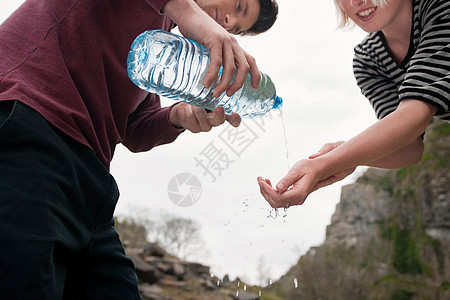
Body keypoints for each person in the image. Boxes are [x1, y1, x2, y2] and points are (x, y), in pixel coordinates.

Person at [0, 0, 278, 298]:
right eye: (238, 5)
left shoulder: (161, 41)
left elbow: (135, 128)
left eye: (235, 26)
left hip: (90, 179)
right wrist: (189, 14)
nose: (227, 21)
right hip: (30, 128)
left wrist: (178, 116)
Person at [258, 0, 450, 209]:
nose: (356, 2)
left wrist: (325, 164)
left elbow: (415, 114)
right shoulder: (368, 58)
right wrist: (343, 156)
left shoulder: (439, 7)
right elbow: (410, 146)